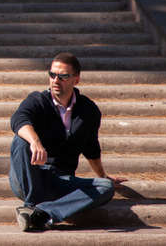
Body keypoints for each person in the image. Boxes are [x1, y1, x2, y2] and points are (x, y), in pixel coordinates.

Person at [9, 52, 126, 231]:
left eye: (63, 76)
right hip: (30, 177)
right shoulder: (37, 100)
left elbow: (91, 147)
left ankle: (42, 213)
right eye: (52, 75)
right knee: (21, 140)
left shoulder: (88, 110)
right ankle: (31, 203)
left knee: (106, 188)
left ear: (76, 80)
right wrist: (35, 141)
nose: (56, 80)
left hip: (61, 180)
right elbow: (19, 119)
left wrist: (102, 175)